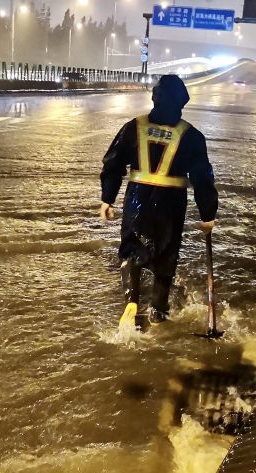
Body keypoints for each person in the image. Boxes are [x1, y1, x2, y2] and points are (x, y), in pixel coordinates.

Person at [99, 74, 218, 326]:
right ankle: (158, 311)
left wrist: (107, 199)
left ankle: (131, 300)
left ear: (155, 97)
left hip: (137, 200)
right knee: (166, 256)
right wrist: (208, 215)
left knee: (131, 248)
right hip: (171, 204)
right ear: (182, 102)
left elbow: (113, 163)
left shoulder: (134, 127)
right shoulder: (191, 136)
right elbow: (203, 178)